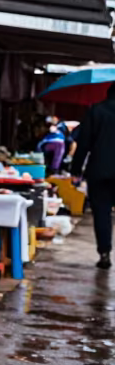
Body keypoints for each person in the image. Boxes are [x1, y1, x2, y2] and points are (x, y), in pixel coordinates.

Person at [71, 84, 115, 269]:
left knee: (102, 213)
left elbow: (83, 143)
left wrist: (75, 171)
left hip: (100, 171)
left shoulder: (96, 111)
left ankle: (104, 254)